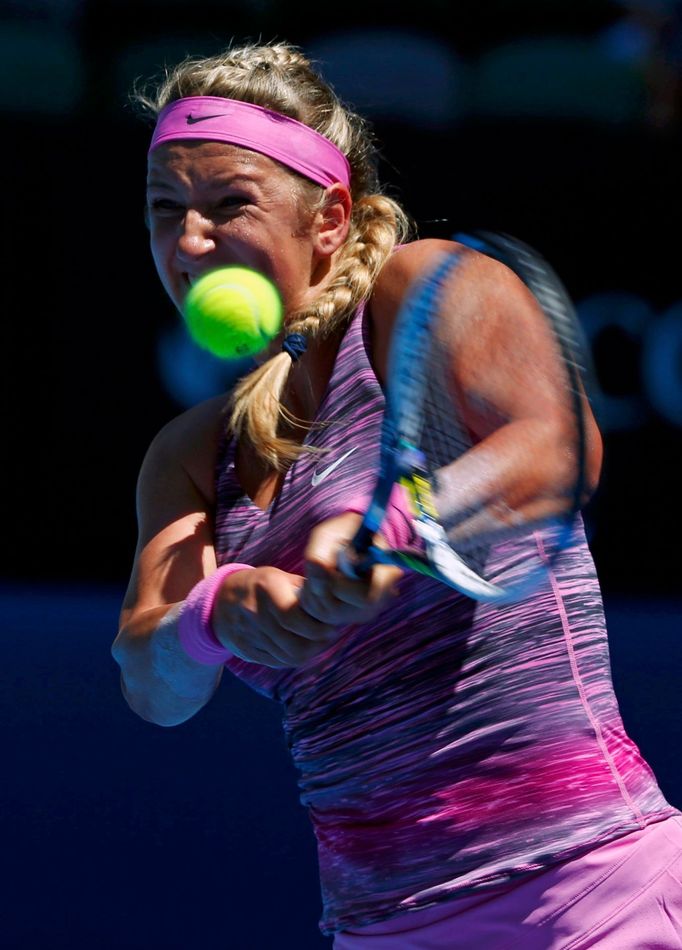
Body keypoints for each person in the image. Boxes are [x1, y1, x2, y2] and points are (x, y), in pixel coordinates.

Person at [111, 40, 682, 948]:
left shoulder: (423, 289)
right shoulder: (187, 456)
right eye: (164, 210)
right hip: (381, 930)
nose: (189, 241)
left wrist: (396, 520)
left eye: (228, 206)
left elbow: (560, 447)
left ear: (328, 219)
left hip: (588, 894)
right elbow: (151, 680)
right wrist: (219, 612)